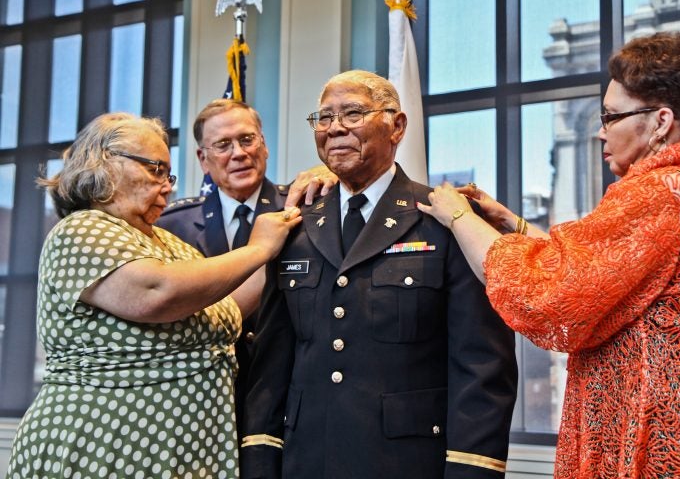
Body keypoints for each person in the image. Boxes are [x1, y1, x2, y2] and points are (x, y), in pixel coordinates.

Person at [418, 31, 680, 477]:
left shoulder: (659, 193)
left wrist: (456, 217)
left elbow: (547, 296)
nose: (601, 130)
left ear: (661, 122)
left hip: (668, 448)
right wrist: (514, 225)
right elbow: (609, 275)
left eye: (611, 115)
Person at [240, 70, 518, 479]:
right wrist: (262, 459)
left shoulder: (447, 218)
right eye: (323, 118)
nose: (334, 128)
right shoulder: (294, 225)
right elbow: (272, 363)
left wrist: (471, 470)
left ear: (397, 126)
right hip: (306, 459)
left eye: (352, 113)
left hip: (407, 463)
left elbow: (481, 364)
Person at [6, 112, 301, 478]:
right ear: (106, 162)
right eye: (155, 169)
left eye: (168, 173)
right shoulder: (80, 229)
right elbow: (156, 293)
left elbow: (227, 306)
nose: (167, 186)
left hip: (178, 454)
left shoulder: (164, 241)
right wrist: (258, 249)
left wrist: (296, 220)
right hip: (101, 449)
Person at [155, 99, 336, 454]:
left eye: (247, 139)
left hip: (288, 397)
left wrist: (333, 173)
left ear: (264, 145)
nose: (238, 153)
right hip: (201, 403)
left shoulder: (306, 206)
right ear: (202, 159)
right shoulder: (170, 226)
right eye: (223, 145)